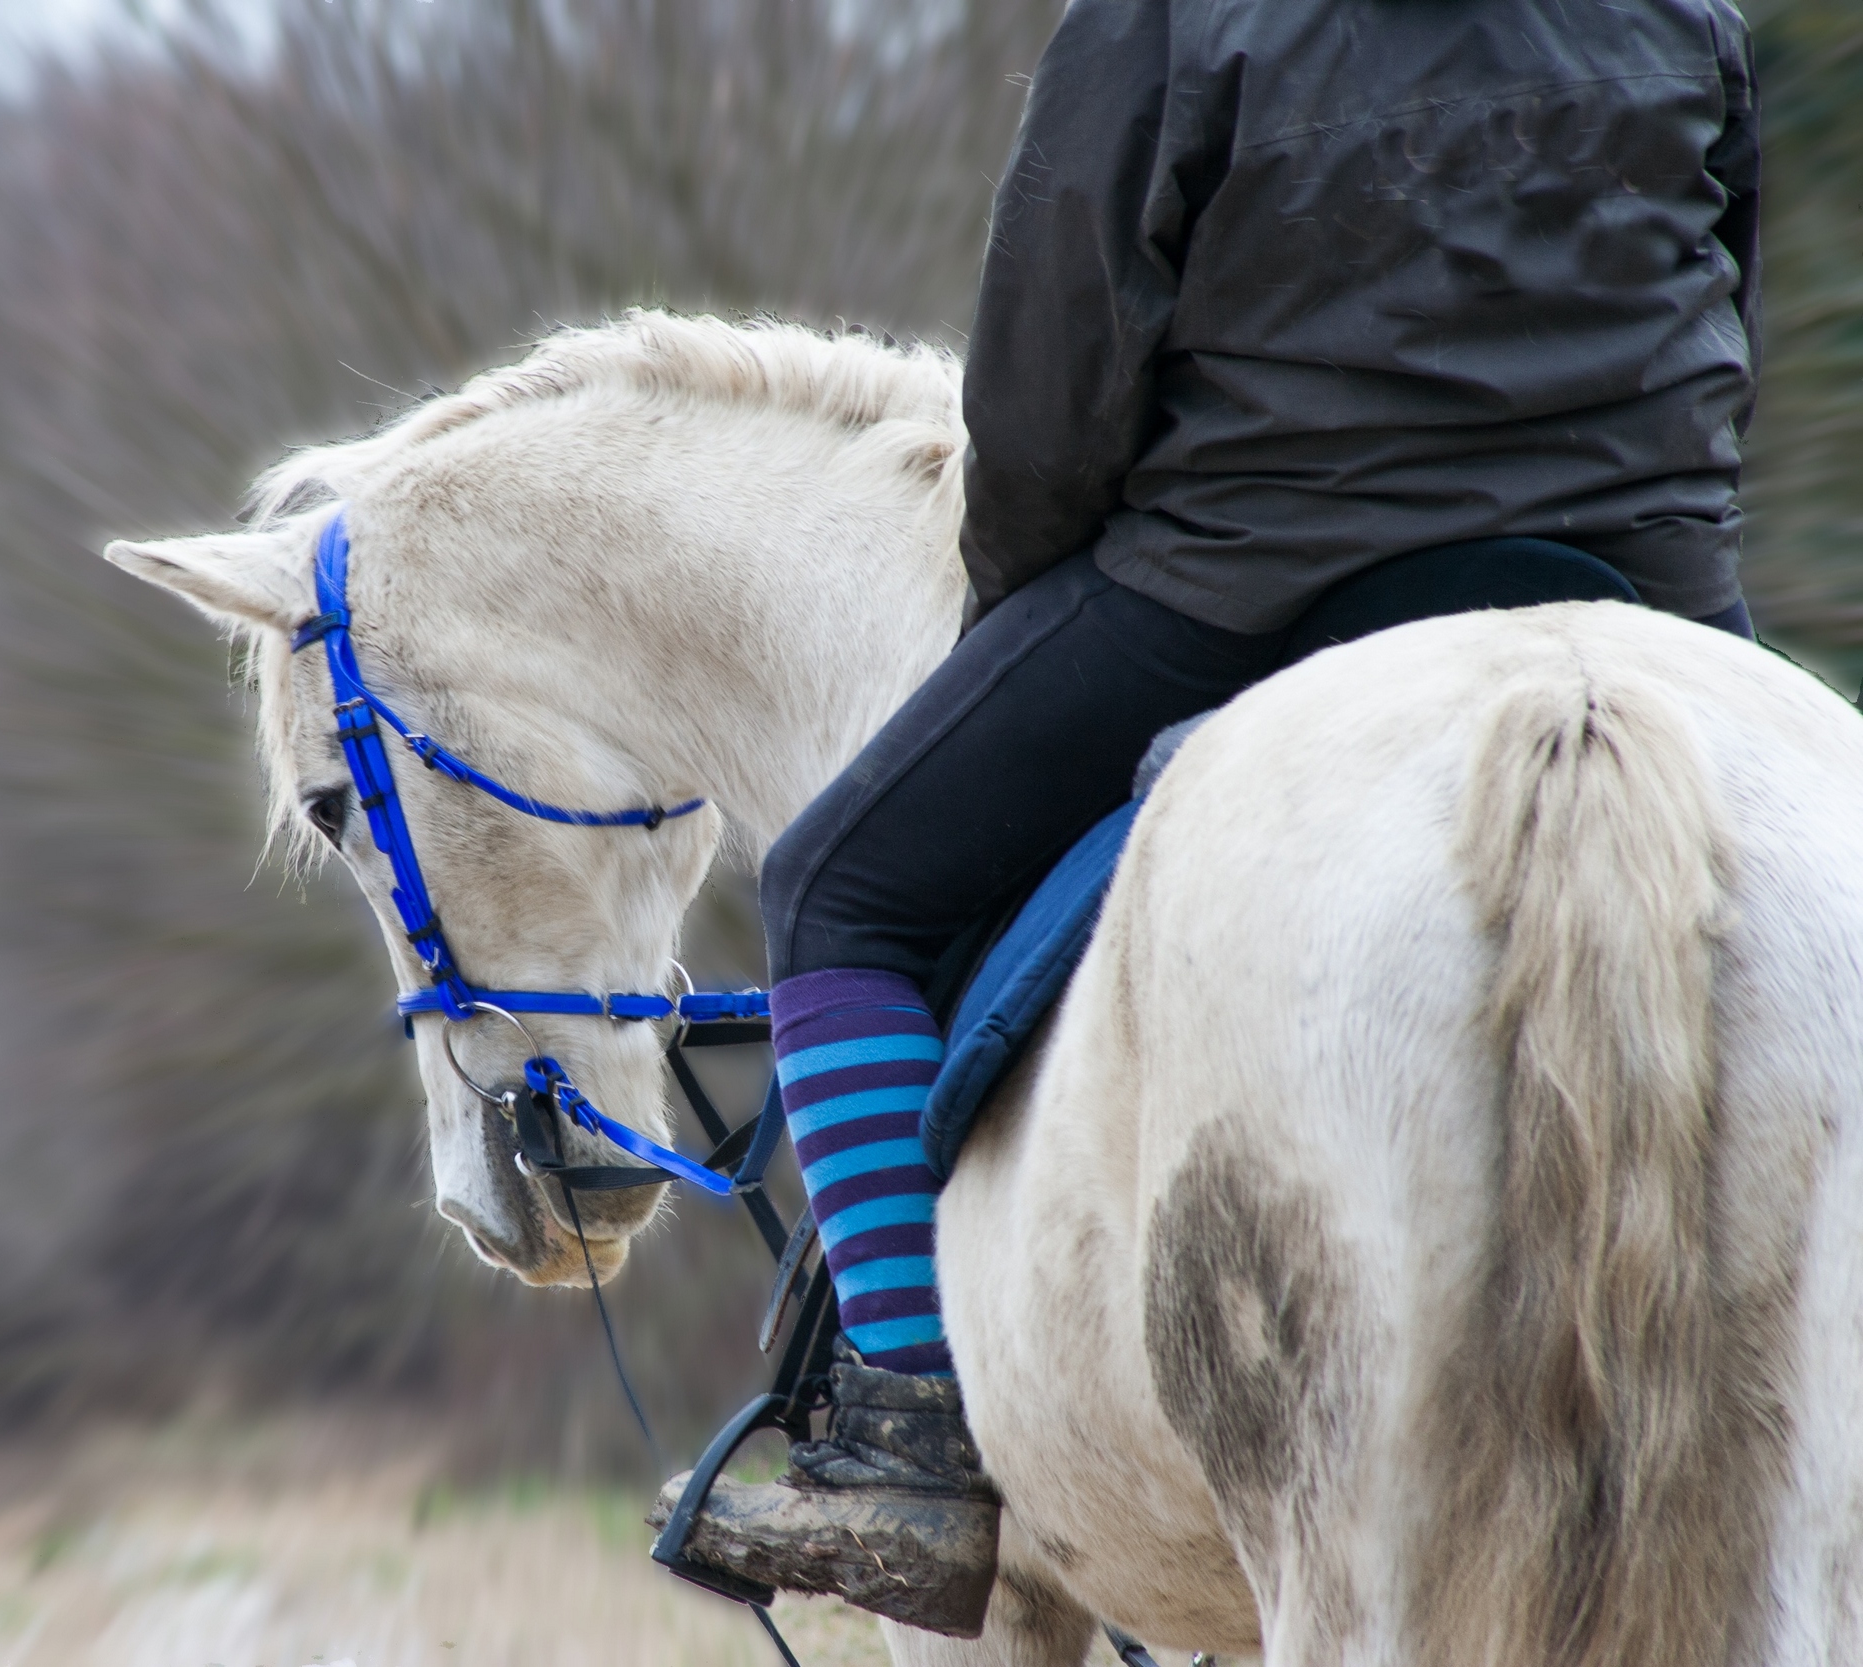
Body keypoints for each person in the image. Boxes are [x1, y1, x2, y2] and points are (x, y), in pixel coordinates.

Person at [658, 0, 1763, 1637]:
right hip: (1645, 566)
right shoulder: (1691, 10)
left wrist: (1014, 611)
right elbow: (1722, 291)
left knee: (843, 886)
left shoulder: (1172, 16)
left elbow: (1044, 398)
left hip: (1253, 575)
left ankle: (913, 1446)